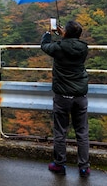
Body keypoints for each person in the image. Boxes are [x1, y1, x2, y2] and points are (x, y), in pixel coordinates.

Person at [40, 20, 90, 177]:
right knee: (82, 132)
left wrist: (49, 33)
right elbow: (71, 46)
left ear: (65, 32)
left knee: (60, 132)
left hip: (62, 96)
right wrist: (66, 36)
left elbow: (45, 46)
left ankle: (60, 165)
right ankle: (84, 167)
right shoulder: (84, 48)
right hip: (80, 96)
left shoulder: (58, 47)